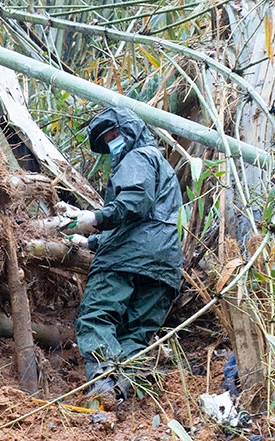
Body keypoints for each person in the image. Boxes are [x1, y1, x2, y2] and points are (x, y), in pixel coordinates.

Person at [61, 107, 182, 407]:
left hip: (126, 261)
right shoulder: (161, 166)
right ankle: (116, 394)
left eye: (114, 135)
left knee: (95, 319)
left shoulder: (137, 157)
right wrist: (89, 241)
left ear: (130, 131)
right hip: (164, 265)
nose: (112, 142)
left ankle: (103, 382)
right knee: (134, 335)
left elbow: (135, 203)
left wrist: (96, 217)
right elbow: (147, 223)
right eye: (106, 139)